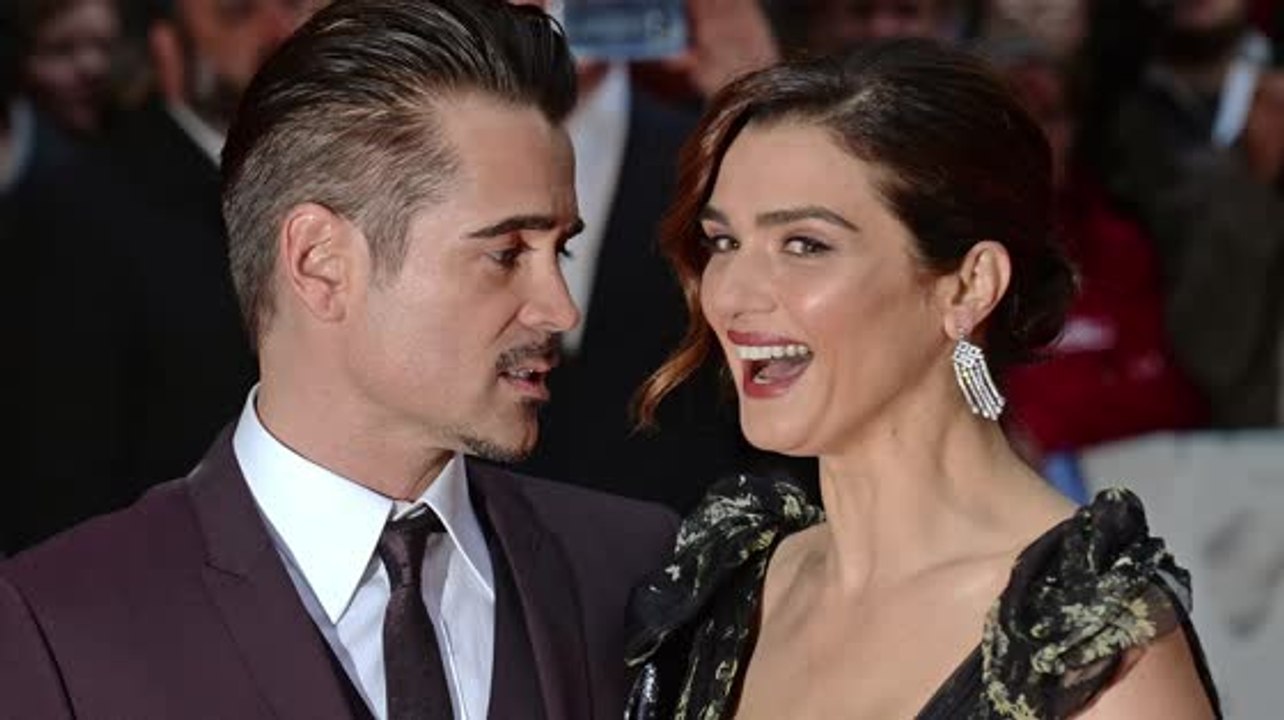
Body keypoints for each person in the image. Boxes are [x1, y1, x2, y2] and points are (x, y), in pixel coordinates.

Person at [0, 2, 676, 718]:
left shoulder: (634, 570)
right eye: (505, 253)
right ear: (321, 263)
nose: (559, 309)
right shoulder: (59, 625)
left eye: (559, 250)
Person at [623, 40, 1221, 718]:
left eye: (805, 245)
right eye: (723, 242)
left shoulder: (1086, 646)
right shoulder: (727, 586)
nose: (730, 295)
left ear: (969, 286)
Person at [5, 0, 320, 553]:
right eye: (237, 14)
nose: (278, 31)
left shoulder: (351, 183)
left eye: (294, 5)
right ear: (166, 49)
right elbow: (58, 490)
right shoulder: (78, 215)